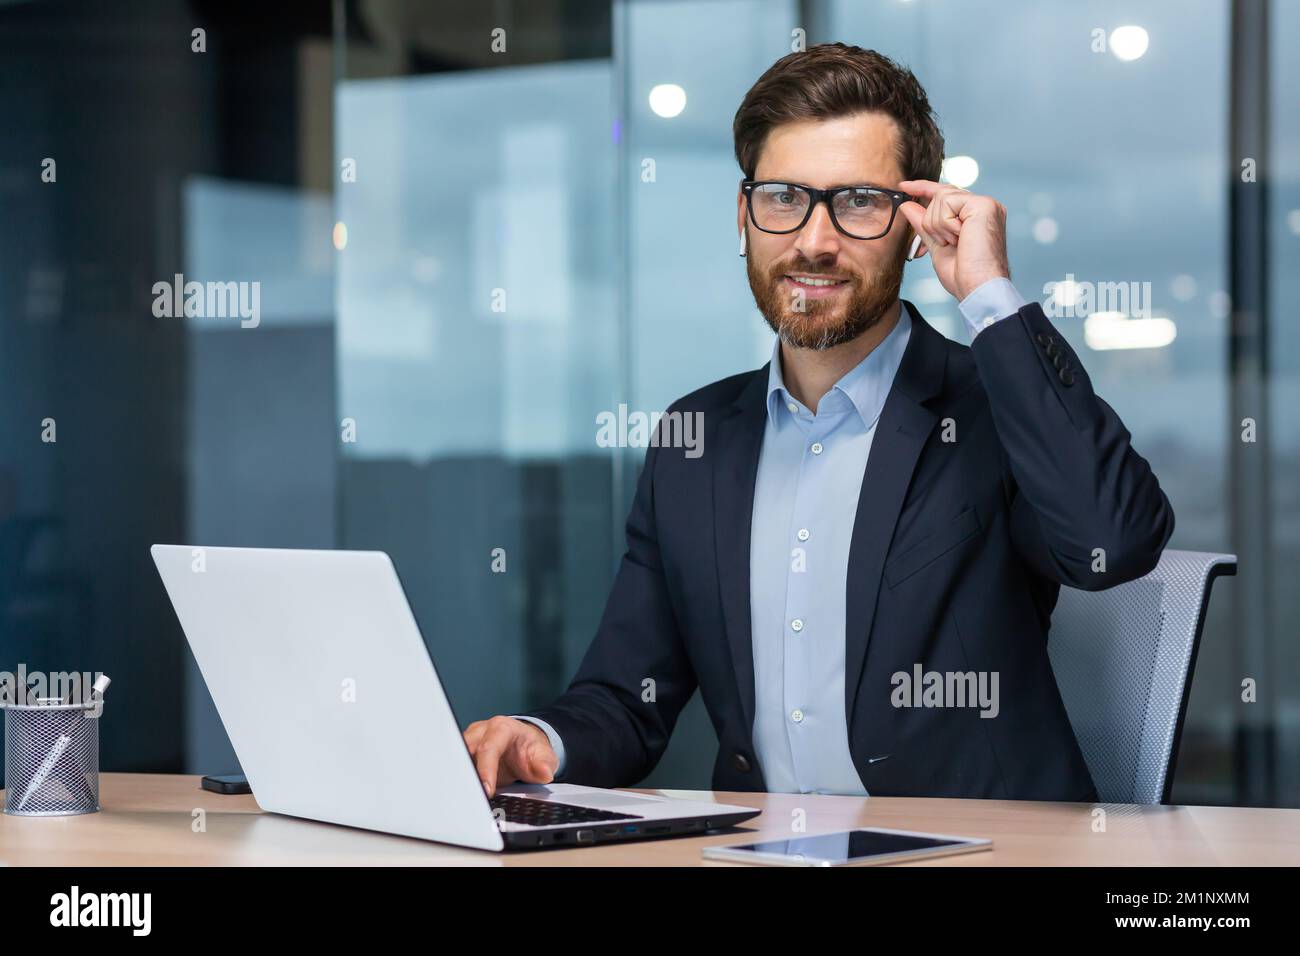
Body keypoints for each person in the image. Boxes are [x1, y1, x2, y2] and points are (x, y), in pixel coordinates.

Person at [464, 43, 1174, 802]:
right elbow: (627, 696)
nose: (813, 240)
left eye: (859, 202)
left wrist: (990, 296)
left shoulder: (992, 407)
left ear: (914, 226)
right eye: (783, 198)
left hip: (983, 855)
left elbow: (1114, 541)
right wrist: (541, 739)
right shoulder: (695, 438)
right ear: (744, 215)